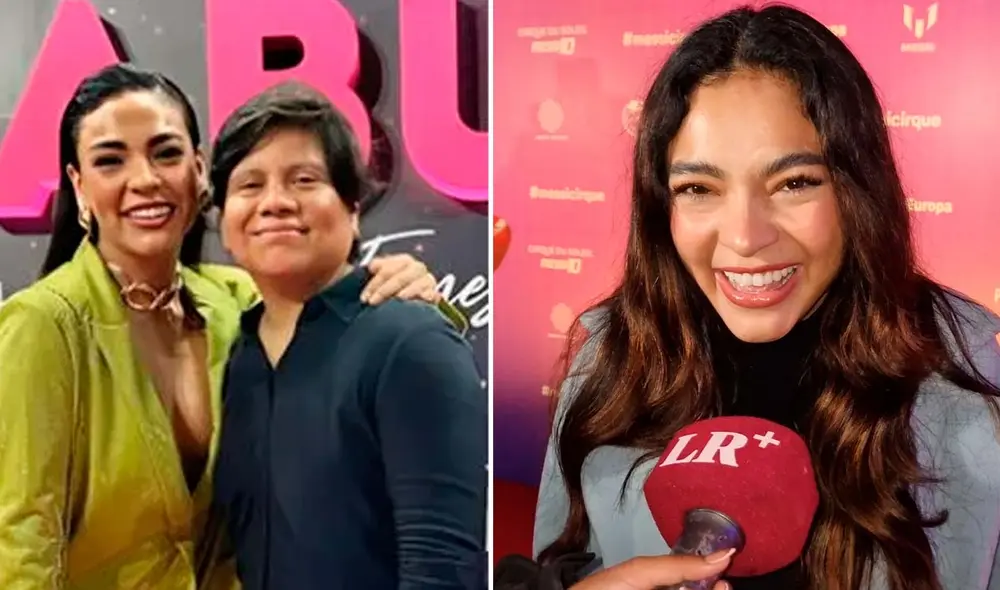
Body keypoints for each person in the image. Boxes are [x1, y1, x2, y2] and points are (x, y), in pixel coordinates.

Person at [514, 5, 1000, 590]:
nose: (744, 237)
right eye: (698, 188)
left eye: (794, 183)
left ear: (857, 190)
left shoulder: (971, 378)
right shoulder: (611, 358)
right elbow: (559, 559)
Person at [0, 64, 452, 589]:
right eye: (110, 161)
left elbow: (355, 333)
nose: (145, 179)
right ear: (79, 187)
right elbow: (20, 546)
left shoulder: (237, 300)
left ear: (197, 170)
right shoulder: (42, 326)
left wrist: (405, 284)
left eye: (165, 153)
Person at [208, 82, 487, 589]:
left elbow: (441, 573)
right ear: (224, 223)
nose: (275, 202)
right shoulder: (237, 357)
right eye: (249, 185)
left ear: (353, 209)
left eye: (304, 179)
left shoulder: (409, 344)